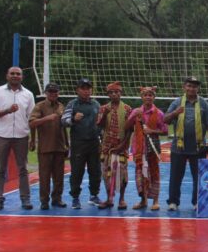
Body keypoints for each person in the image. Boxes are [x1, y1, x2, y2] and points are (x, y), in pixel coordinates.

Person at [164, 77, 208, 211]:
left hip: (198, 147)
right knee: (175, 176)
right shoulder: (177, 103)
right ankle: (173, 202)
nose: (192, 88)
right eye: (189, 86)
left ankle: (197, 202)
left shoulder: (203, 103)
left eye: (194, 86)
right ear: (184, 87)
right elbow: (165, 120)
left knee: (198, 177)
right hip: (179, 147)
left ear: (198, 89)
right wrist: (175, 113)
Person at [0, 66, 35, 211]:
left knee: (23, 169)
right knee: (0, 169)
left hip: (21, 136)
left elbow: (32, 118)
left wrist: (33, 138)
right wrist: (8, 110)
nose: (15, 76)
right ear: (7, 76)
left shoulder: (28, 94)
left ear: (22, 77)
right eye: (12, 73)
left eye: (18, 74)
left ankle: (25, 198)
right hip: (3, 135)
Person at [61, 78, 102, 209]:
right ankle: (75, 197)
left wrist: (102, 139)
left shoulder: (96, 104)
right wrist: (73, 119)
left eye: (88, 88)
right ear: (77, 90)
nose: (86, 91)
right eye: (83, 88)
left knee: (96, 171)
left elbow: (101, 123)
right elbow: (63, 120)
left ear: (91, 90)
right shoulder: (72, 104)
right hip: (78, 143)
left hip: (94, 142)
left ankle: (94, 195)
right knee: (77, 171)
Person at [126, 86, 168, 210]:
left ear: (154, 97)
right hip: (139, 148)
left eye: (150, 95)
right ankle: (143, 201)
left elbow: (165, 131)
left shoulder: (159, 113)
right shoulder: (136, 111)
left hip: (153, 147)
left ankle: (155, 201)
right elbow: (127, 127)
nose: (148, 97)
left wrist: (151, 131)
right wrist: (133, 117)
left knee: (154, 173)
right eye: (145, 95)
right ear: (142, 97)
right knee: (141, 173)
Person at [29, 83, 68, 210]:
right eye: (50, 91)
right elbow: (32, 123)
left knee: (59, 176)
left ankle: (57, 198)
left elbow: (64, 127)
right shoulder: (39, 106)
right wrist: (46, 119)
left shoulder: (61, 106)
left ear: (58, 93)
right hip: (45, 147)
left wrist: (67, 145)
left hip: (59, 146)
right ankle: (44, 201)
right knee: (44, 177)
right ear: (46, 93)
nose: (53, 94)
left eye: (55, 92)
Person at [96, 82, 133, 210]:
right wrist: (104, 115)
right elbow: (99, 125)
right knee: (106, 173)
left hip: (121, 146)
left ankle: (121, 199)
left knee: (122, 173)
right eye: (111, 92)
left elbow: (130, 129)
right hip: (107, 147)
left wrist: (123, 145)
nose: (114, 94)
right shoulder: (103, 108)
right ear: (108, 95)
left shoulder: (127, 109)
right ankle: (109, 198)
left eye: (116, 92)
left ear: (120, 93)